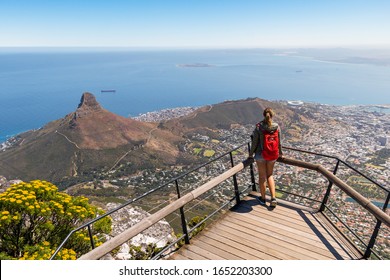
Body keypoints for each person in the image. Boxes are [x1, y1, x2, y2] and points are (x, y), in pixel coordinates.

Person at [249, 108, 282, 207]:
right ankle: (273, 198)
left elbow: (254, 142)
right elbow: (279, 142)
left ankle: (263, 199)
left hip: (260, 155)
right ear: (272, 115)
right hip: (272, 155)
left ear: (264, 115)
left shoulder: (259, 127)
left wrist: (251, 154)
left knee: (262, 177)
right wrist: (280, 152)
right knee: (270, 175)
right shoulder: (276, 127)